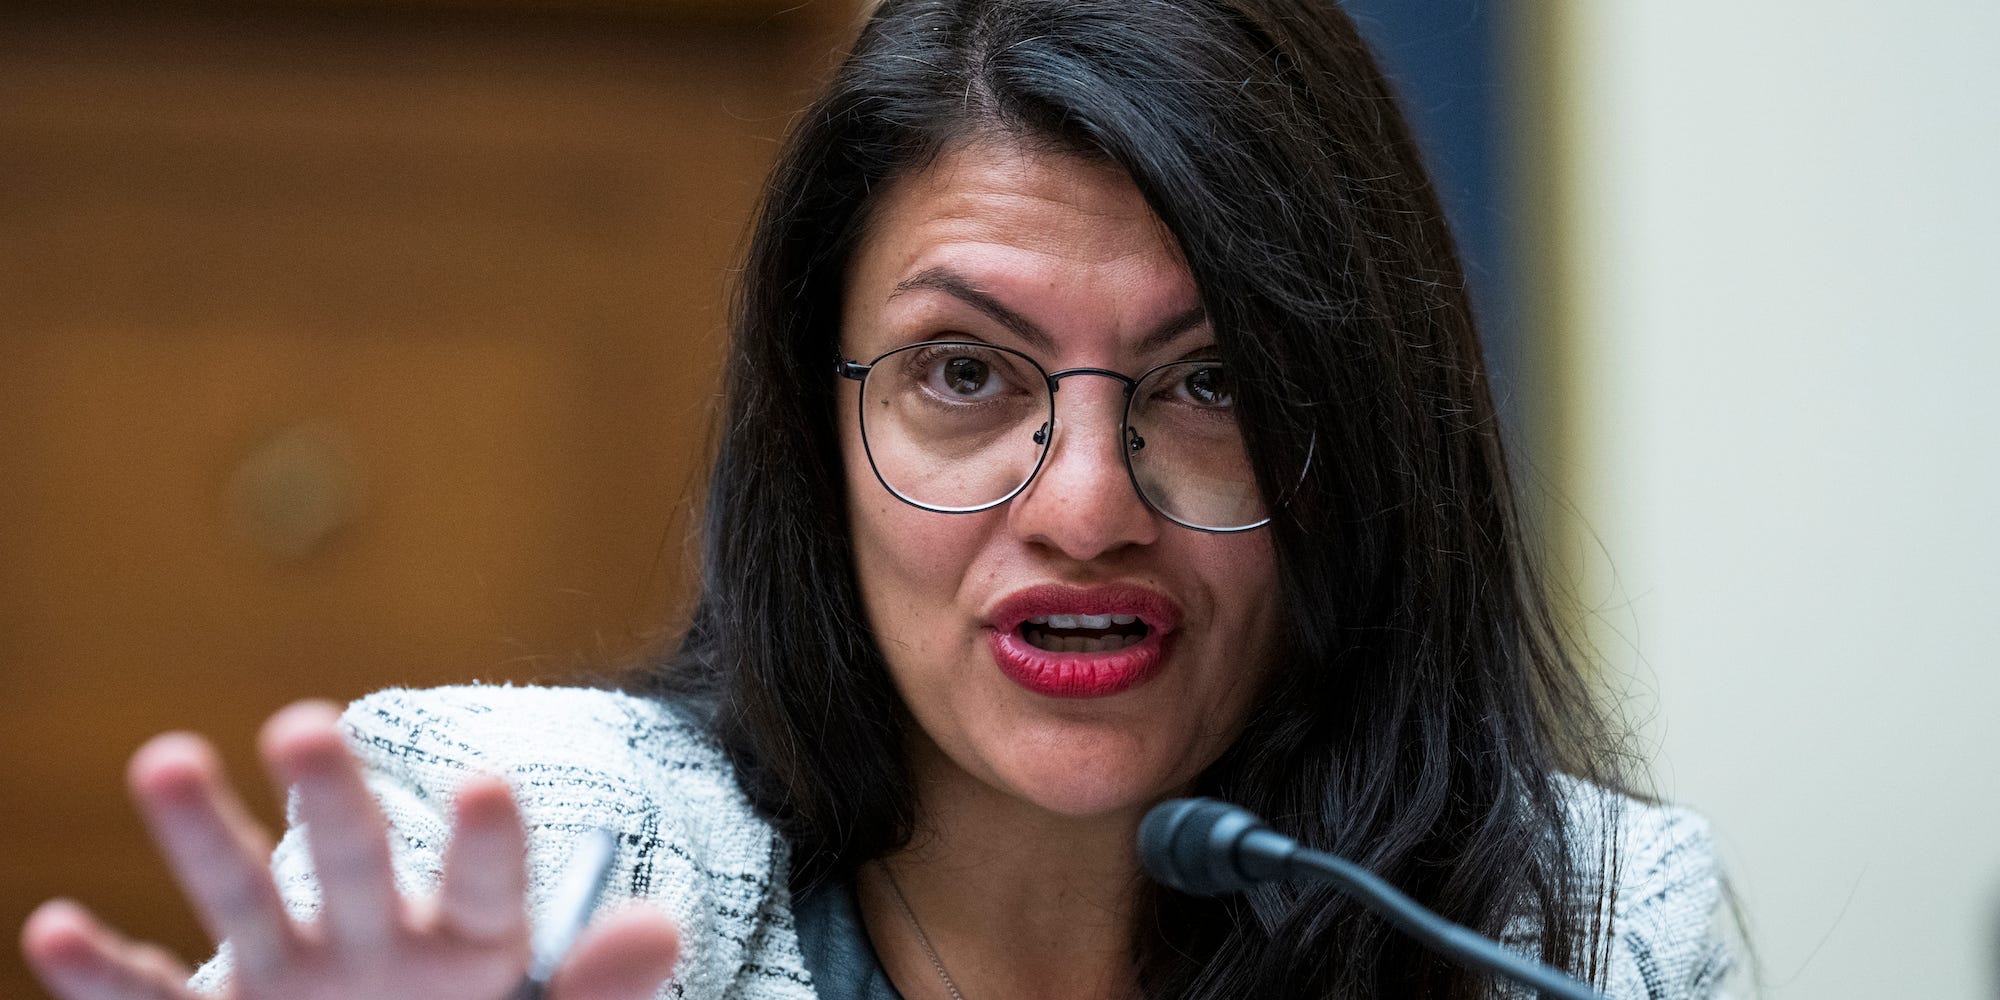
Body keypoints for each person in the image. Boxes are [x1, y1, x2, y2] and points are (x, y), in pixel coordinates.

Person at [19, 1, 1735, 998]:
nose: (1081, 506)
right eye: (965, 375)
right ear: (810, 429)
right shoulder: (530, 866)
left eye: (1209, 386)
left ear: (1360, 449)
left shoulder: (1572, 937)